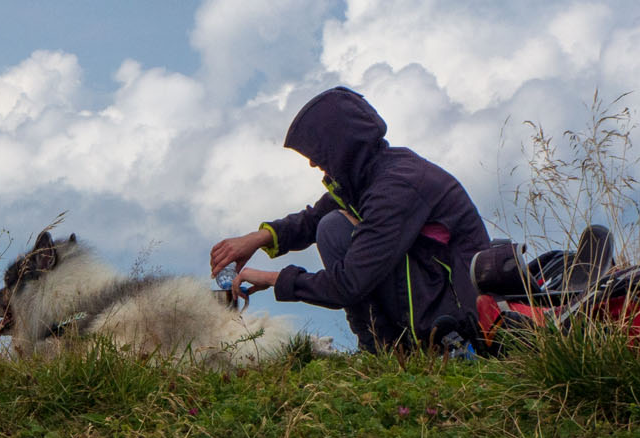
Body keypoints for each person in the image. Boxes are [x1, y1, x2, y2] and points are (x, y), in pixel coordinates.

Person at [209, 86, 489, 353]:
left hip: (460, 320)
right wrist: (258, 239)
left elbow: (350, 283)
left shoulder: (397, 187)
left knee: (333, 229)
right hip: (434, 298)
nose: (313, 163)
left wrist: (274, 279)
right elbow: (312, 219)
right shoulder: (371, 176)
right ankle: (385, 349)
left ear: (342, 145)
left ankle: (399, 349)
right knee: (329, 224)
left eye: (318, 151)